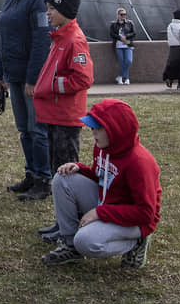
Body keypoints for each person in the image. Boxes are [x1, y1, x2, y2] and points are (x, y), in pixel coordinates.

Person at [41, 99, 161, 269]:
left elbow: (145, 213)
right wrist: (80, 169)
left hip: (136, 221)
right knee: (62, 179)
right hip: (109, 204)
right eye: (92, 128)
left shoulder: (139, 162)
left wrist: (100, 213)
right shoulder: (103, 147)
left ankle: (136, 242)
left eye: (98, 128)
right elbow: (101, 177)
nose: (93, 133)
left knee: (85, 241)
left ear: (115, 130)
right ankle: (69, 246)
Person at [0, 0, 52, 199]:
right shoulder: (11, 1)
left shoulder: (38, 0)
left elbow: (41, 40)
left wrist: (33, 78)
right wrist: (0, 74)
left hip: (30, 76)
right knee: (24, 129)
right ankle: (31, 173)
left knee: (37, 129)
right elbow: (4, 40)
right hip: (14, 74)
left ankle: (43, 178)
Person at [31, 0, 93, 205]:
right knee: (57, 168)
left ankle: (71, 217)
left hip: (65, 117)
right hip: (55, 115)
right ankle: (63, 219)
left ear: (63, 9)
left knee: (66, 170)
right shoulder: (60, 38)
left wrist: (53, 84)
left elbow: (83, 79)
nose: (47, 13)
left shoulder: (73, 41)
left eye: (51, 8)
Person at [109, 7, 136, 85]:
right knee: (122, 62)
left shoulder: (129, 23)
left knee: (128, 61)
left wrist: (126, 37)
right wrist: (120, 38)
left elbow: (134, 33)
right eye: (122, 14)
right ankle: (127, 78)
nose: (124, 16)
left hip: (128, 44)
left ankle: (121, 76)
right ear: (118, 15)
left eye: (125, 14)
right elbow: (112, 34)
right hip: (118, 45)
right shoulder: (113, 24)